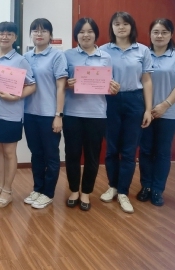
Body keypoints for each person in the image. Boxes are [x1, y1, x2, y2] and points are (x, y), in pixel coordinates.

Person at [63, 18, 119, 211]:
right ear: (76, 35)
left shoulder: (106, 57)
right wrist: (67, 84)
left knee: (92, 156)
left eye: (90, 31)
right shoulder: (67, 55)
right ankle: (73, 190)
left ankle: (86, 192)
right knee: (72, 154)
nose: (85, 35)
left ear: (96, 34)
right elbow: (60, 83)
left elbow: (109, 84)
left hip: (96, 114)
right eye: (81, 32)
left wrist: (114, 88)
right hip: (72, 112)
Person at [99, 11, 153, 214]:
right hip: (110, 101)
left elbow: (147, 80)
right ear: (111, 27)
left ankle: (123, 192)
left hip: (134, 100)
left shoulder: (143, 50)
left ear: (132, 27)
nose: (121, 27)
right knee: (111, 149)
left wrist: (148, 109)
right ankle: (112, 186)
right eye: (117, 24)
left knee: (130, 151)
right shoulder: (103, 50)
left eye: (125, 24)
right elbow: (97, 79)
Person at [137, 18, 175, 207]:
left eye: (164, 32)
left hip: (168, 113)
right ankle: (146, 186)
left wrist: (165, 105)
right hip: (145, 113)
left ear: (171, 34)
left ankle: (158, 189)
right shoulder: (143, 54)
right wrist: (148, 109)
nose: (159, 36)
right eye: (156, 32)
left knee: (162, 152)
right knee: (145, 151)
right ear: (150, 34)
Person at [0, 22, 36, 208]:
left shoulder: (20, 60)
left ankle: (8, 190)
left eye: (9, 34)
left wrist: (15, 97)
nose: (4, 37)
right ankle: (0, 186)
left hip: (11, 114)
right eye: (1, 33)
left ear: (15, 38)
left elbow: (32, 85)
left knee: (9, 152)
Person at [22, 18, 68, 209]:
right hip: (29, 113)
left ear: (50, 35)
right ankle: (38, 188)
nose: (39, 34)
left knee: (51, 155)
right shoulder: (26, 57)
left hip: (49, 114)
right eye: (35, 31)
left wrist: (59, 115)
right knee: (36, 154)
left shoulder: (57, 56)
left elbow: (61, 87)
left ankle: (48, 193)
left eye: (43, 31)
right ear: (30, 34)